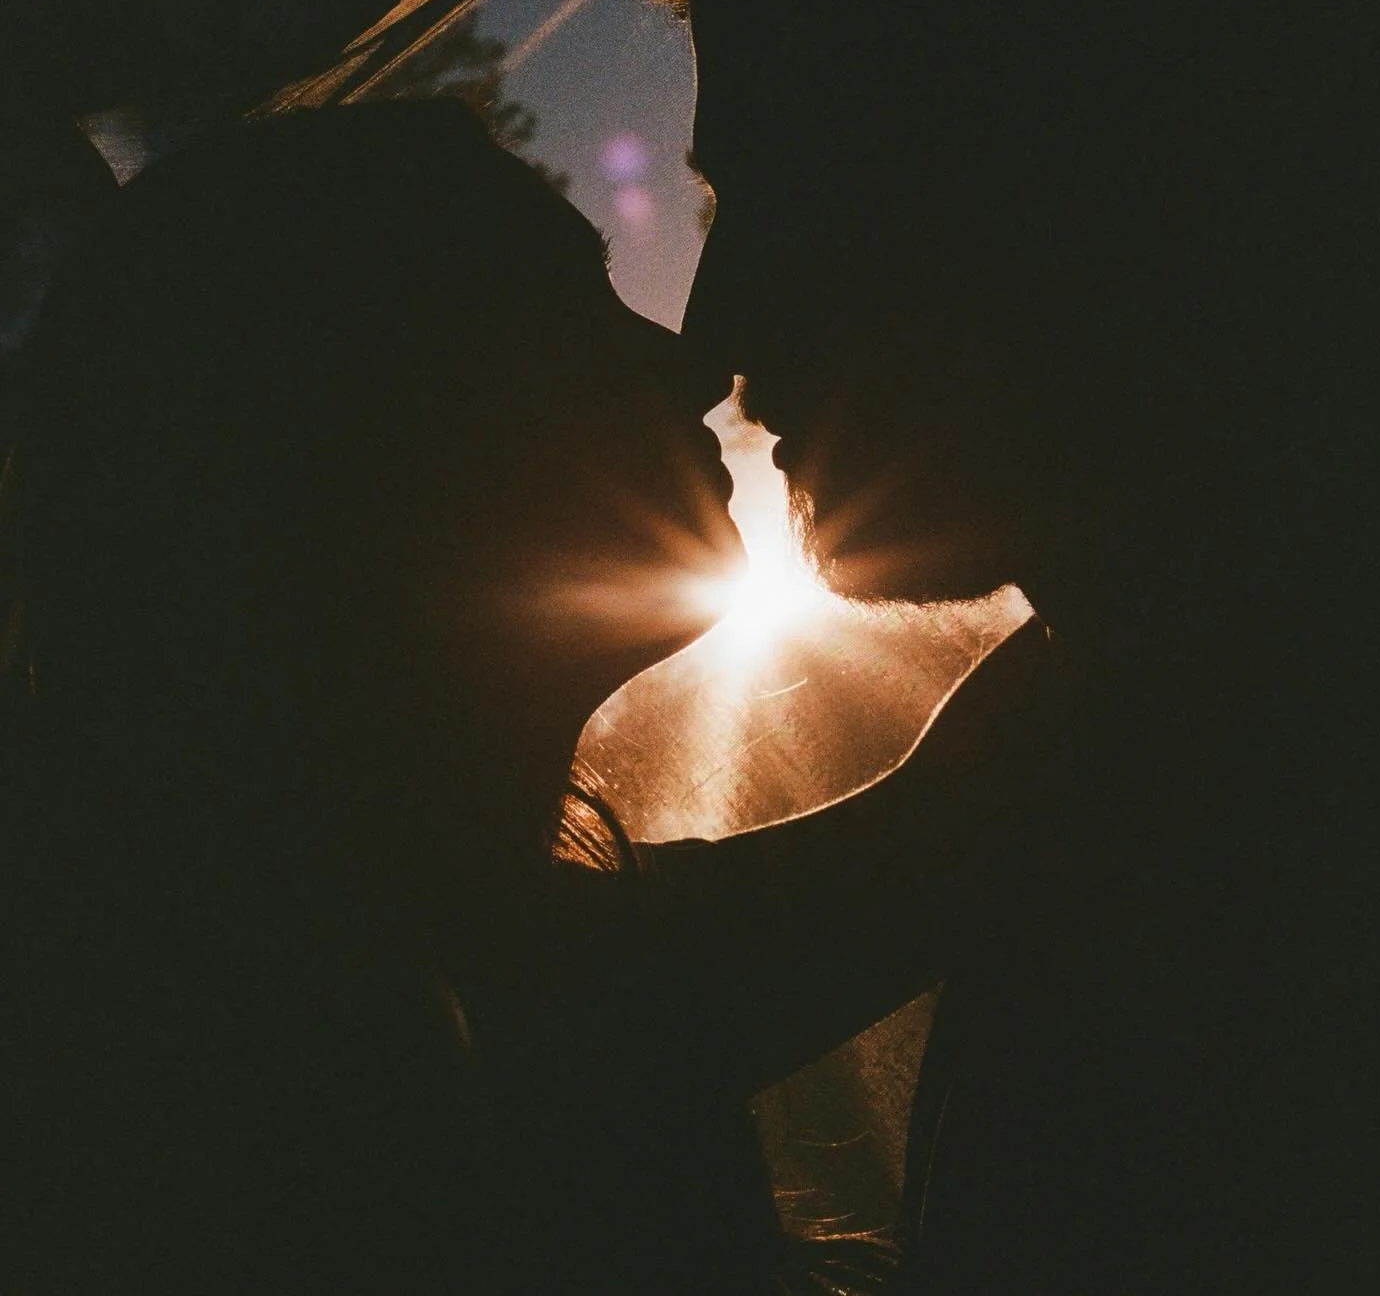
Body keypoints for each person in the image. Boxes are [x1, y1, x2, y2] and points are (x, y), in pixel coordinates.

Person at [589, 0, 1380, 1290]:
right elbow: (653, 1000)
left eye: (779, 199)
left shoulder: (1302, 701)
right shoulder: (1137, 682)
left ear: (1084, 166)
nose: (718, 338)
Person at [1, 99, 1062, 1293]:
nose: (696, 359)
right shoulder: (278, 1096)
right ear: (376, 439)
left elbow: (975, 808)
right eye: (572, 314)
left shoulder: (468, 968)